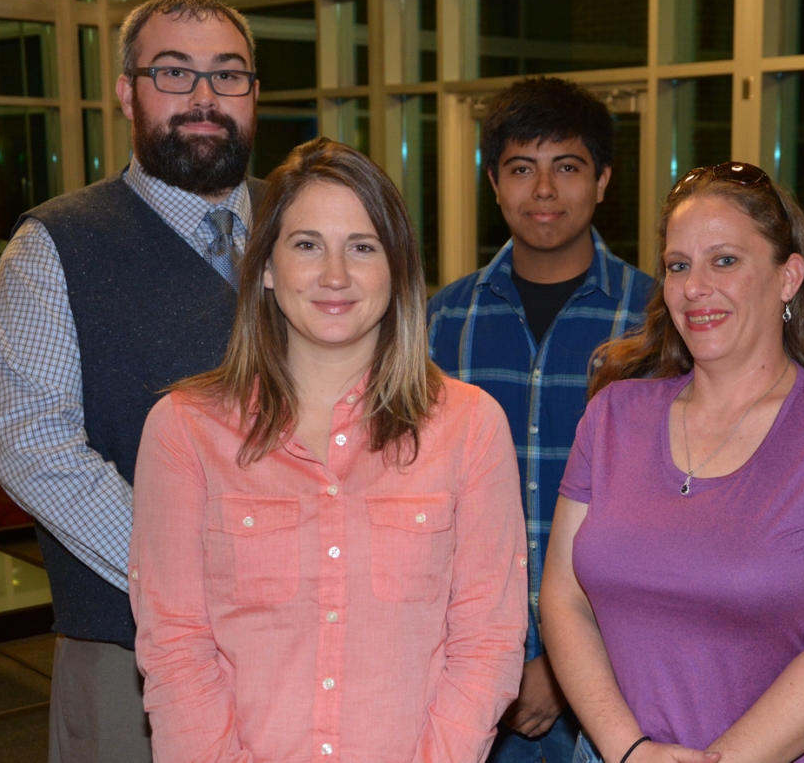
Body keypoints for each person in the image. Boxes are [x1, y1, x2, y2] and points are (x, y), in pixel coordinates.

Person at [128, 138, 528, 762]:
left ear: (396, 271)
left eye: (362, 248)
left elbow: (487, 643)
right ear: (264, 266)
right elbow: (176, 648)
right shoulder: (184, 431)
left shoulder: (470, 427)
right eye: (307, 244)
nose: (334, 275)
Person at [540, 162, 804, 763]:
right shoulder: (615, 414)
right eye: (678, 265)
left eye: (724, 260)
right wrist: (628, 749)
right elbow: (563, 599)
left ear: (788, 276)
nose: (694, 287)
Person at [0, 0, 260, 762]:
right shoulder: (54, 246)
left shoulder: (306, 229)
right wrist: (207, 570)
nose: (204, 97)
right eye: (174, 72)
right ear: (126, 92)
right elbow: (36, 448)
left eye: (227, 75)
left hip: (309, 645)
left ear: (255, 94)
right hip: (127, 653)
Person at [427, 76, 654, 763]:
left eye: (568, 167)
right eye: (522, 169)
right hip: (461, 666)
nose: (544, 191)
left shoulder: (658, 322)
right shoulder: (442, 322)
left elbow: (661, 510)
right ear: (494, 184)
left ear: (604, 179)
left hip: (616, 671)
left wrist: (560, 659)